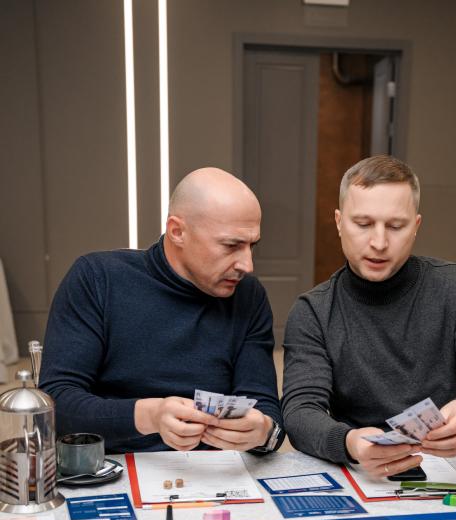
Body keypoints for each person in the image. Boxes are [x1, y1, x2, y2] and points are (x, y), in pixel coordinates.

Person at [282, 155, 456, 477]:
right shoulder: (313, 311)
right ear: (338, 222)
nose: (379, 243)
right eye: (363, 224)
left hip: (450, 468)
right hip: (362, 470)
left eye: (395, 226)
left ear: (416, 226)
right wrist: (348, 442)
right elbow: (300, 411)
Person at [40, 168, 283, 453]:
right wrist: (150, 416)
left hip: (212, 470)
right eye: (231, 245)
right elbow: (56, 405)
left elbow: (263, 406)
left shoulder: (248, 296)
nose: (247, 265)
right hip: (112, 462)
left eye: (252, 246)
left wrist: (264, 432)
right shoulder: (97, 279)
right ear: (177, 231)